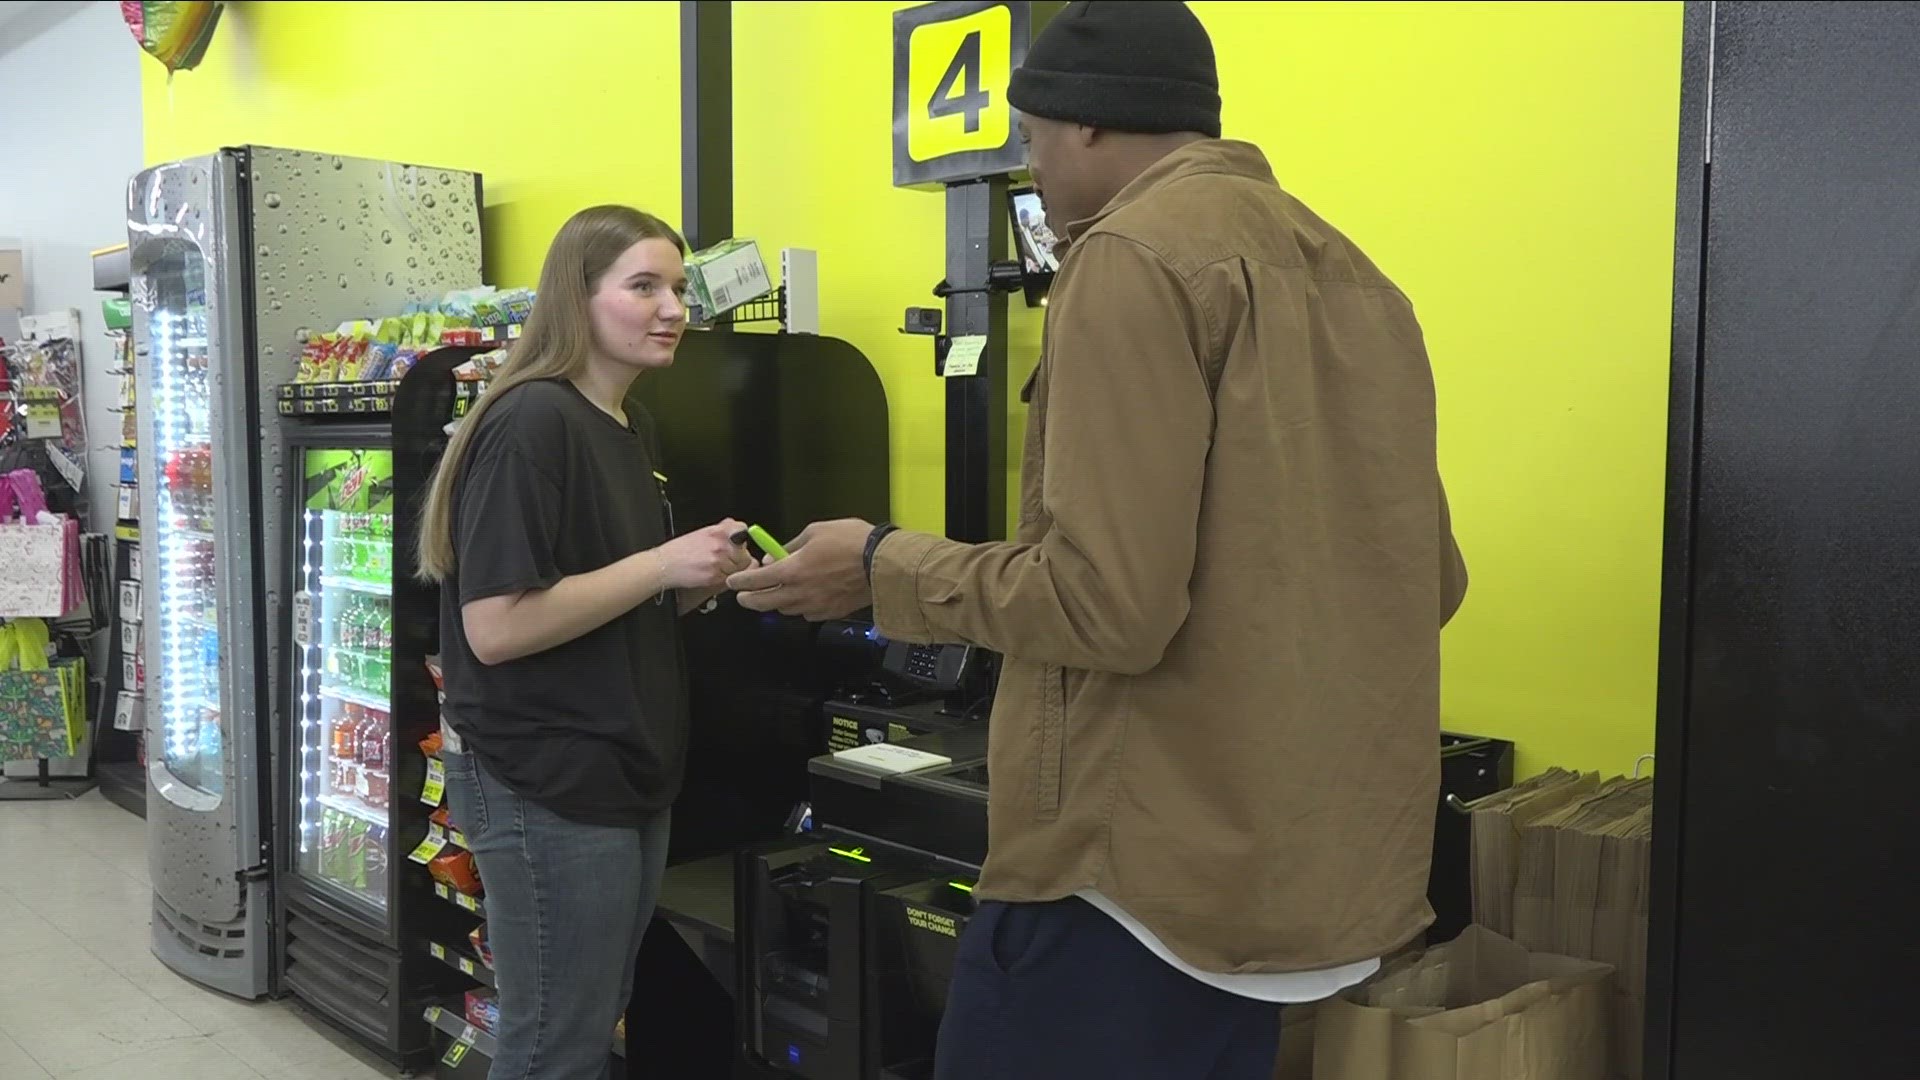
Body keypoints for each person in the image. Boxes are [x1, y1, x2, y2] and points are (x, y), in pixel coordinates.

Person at [727, 2, 1469, 1078]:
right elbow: (1427, 580)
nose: (1030, 170)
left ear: (1086, 127)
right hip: (1295, 886)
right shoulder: (1358, 278)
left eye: (1028, 140)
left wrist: (882, 566)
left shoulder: (1127, 258)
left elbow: (1105, 607)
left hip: (1129, 889)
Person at [415, 205, 753, 1080]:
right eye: (643, 287)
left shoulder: (628, 429)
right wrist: (659, 565)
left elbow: (599, 605)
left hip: (621, 769)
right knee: (552, 1047)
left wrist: (696, 583)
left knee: (590, 1021)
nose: (672, 307)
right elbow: (495, 629)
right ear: (578, 296)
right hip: (544, 776)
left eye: (678, 288)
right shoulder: (533, 422)